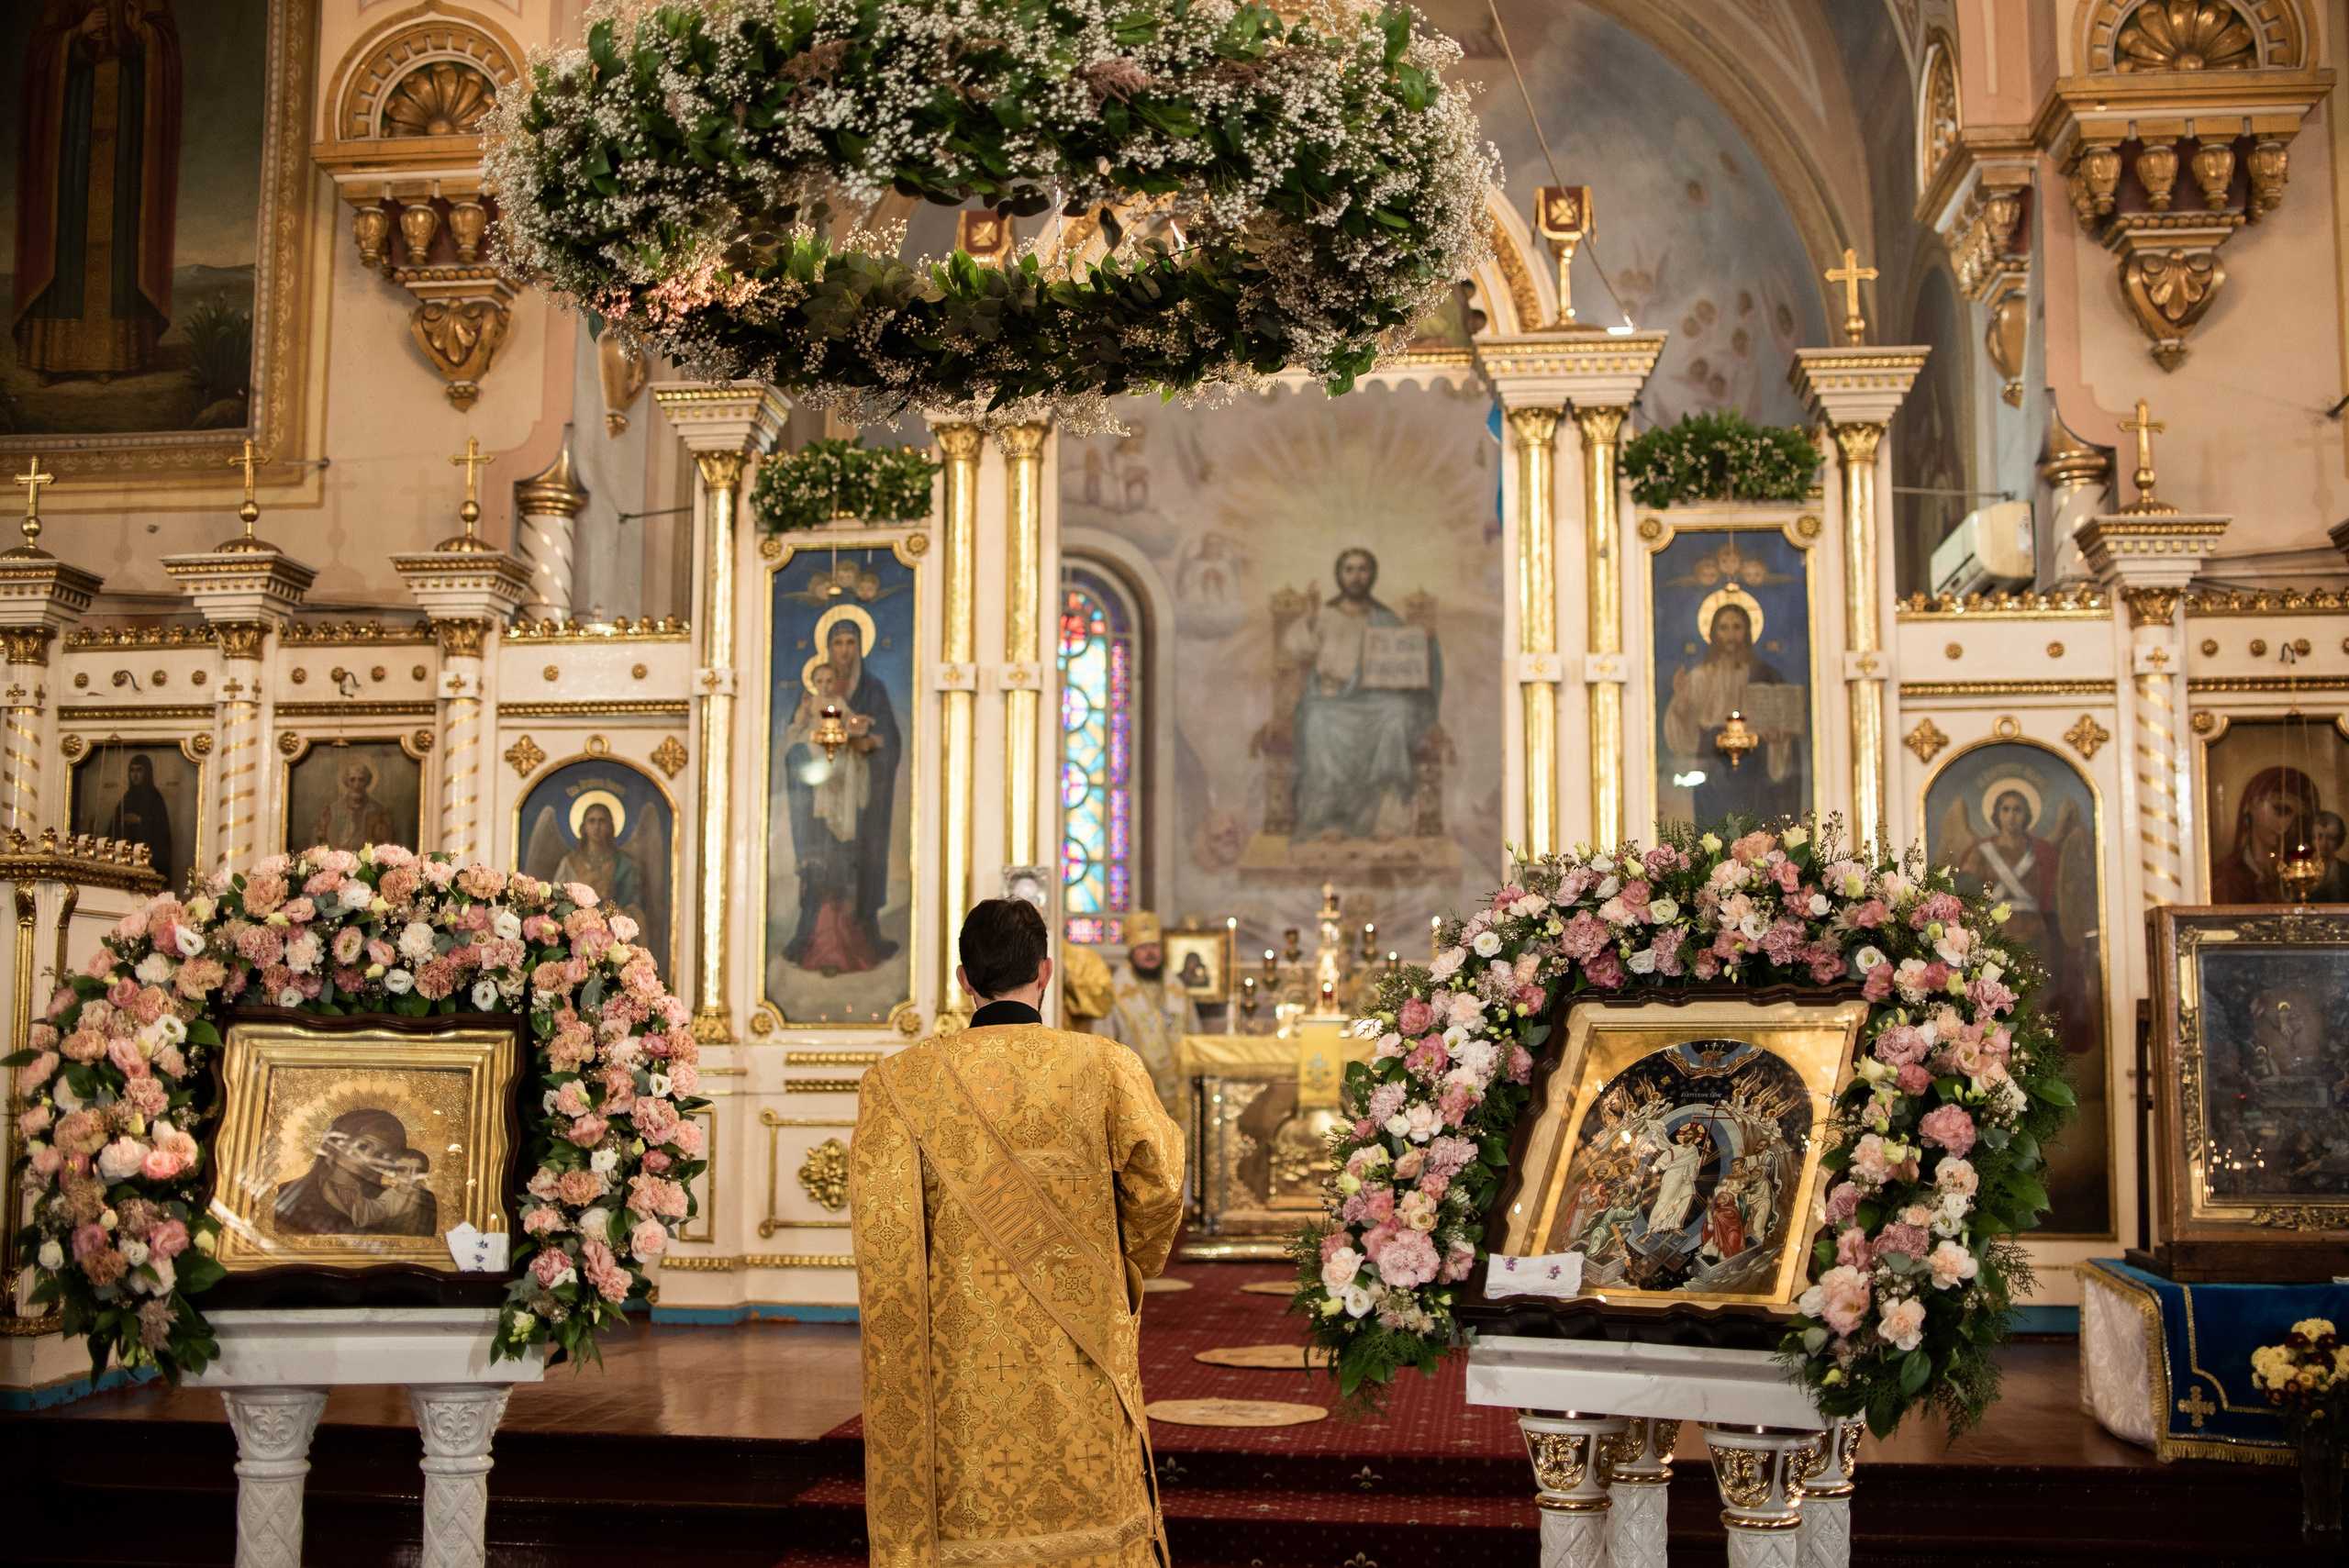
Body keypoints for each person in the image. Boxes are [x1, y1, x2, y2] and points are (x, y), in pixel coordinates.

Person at [851, 898, 1184, 1568]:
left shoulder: (899, 1081)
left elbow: (884, 1236)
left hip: (960, 1354)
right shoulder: (1105, 1065)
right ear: (1046, 972)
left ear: (963, 980)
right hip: (1082, 1338)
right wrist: (1120, 1264)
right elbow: (1161, 1183)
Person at [13, 0, 184, 384]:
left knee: (121, 228)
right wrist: (78, 32)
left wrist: (141, 32)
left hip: (125, 120)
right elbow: (40, 50)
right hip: (71, 124)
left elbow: (166, 44)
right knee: (66, 229)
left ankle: (109, 354)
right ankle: (52, 355)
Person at [1280, 548, 1442, 842]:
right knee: (1317, 721)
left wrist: (1425, 641)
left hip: (1374, 700)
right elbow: (1296, 646)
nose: (1356, 576)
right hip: (1330, 699)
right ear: (1339, 575)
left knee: (1396, 714)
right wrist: (1310, 617)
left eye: (1363, 569)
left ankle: (1386, 819)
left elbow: (1406, 657)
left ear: (1372, 575)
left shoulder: (1385, 618)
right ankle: (1330, 819)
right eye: (1349, 570)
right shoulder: (1325, 615)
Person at [782, 618, 902, 969]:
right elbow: (795, 743)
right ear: (828, 649)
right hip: (819, 800)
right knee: (820, 865)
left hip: (858, 798)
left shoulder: (872, 690)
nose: (845, 651)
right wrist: (815, 772)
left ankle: (861, 938)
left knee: (855, 862)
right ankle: (814, 939)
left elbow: (888, 740)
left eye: (851, 642)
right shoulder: (811, 696)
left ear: (860, 646)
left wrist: (870, 744)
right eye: (838, 643)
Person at [1664, 598, 1799, 824]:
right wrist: (1682, 702)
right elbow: (1683, 732)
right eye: (1723, 628)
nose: (1730, 635)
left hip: (1753, 772)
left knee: (1755, 827)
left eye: (1737, 627)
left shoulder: (1765, 675)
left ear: (1747, 631)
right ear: (1713, 632)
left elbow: (1782, 730)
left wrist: (1777, 739)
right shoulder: (1699, 676)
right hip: (1713, 770)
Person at [1087, 912, 1197, 1114]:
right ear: (1131, 951)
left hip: (1179, 1091)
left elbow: (1195, 1035)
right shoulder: (1116, 991)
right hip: (1133, 1092)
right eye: (1142, 947)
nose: (1150, 952)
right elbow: (1102, 1045)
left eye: (1154, 946)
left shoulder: (1177, 988)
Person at [272, 1108, 439, 1238]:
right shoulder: (287, 1194)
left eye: (382, 1155)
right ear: (335, 1146)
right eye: (362, 1146)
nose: (368, 1159)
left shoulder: (403, 1203)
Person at [2210, 766, 2322, 904]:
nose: (2288, 827)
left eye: (2300, 820)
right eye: (2281, 810)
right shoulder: (2226, 878)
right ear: (2252, 807)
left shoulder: (2307, 879)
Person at [552, 800, 648, 943]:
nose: (597, 827)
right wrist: (578, 886)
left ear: (610, 827)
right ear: (584, 827)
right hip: (576, 936)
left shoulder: (624, 864)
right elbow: (554, 903)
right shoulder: (569, 863)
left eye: (602, 821)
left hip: (612, 939)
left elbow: (635, 907)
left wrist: (616, 911)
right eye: (591, 821)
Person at [100, 752, 173, 882]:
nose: (135, 775)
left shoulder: (155, 798)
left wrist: (140, 820)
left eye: (139, 770)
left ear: (147, 772)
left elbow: (161, 832)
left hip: (148, 859)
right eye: (132, 770)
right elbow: (114, 827)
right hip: (126, 858)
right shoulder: (127, 797)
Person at [312, 755, 399, 852]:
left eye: (361, 780)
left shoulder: (380, 809)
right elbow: (323, 843)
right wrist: (324, 827)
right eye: (352, 780)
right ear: (346, 782)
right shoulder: (333, 810)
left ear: (367, 782)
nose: (357, 785)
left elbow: (387, 842)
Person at [2310, 810, 2349, 903]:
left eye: (2331, 838)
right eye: (2319, 837)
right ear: (2312, 839)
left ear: (2339, 841)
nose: (2324, 844)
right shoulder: (2302, 869)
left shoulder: (2345, 871)